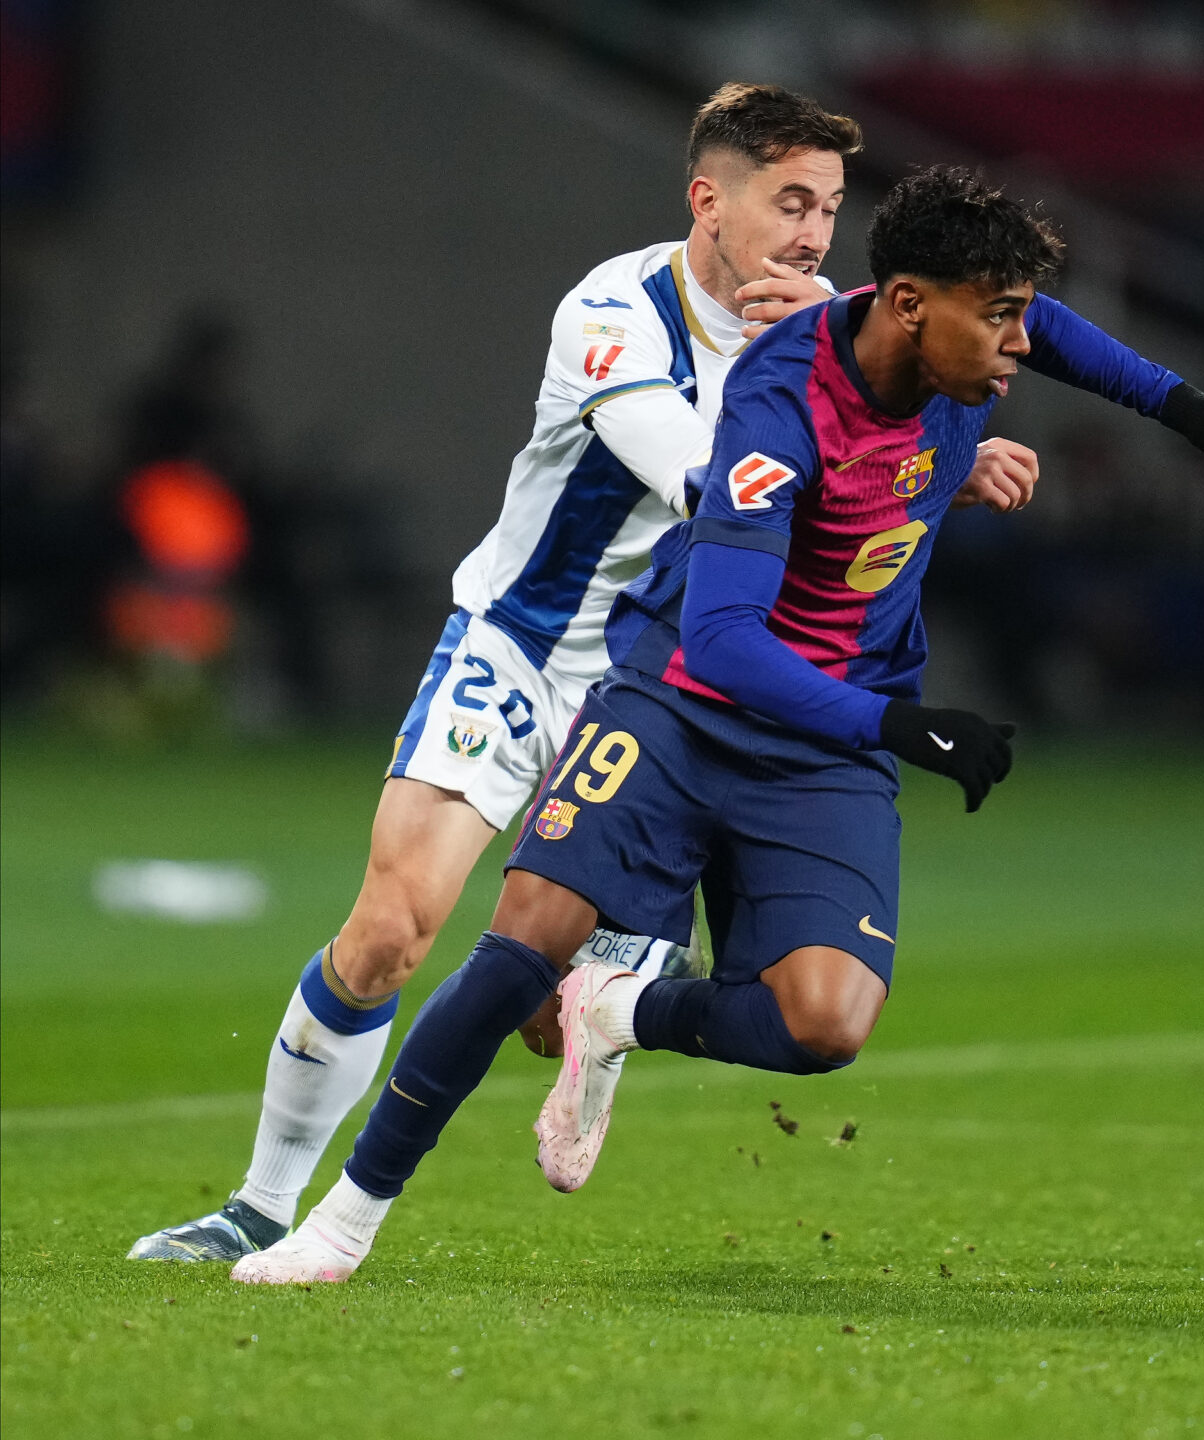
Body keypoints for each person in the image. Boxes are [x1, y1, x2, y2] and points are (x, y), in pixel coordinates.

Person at [230, 166, 1204, 1284]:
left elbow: (1057, 329)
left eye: (1014, 313)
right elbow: (730, 638)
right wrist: (904, 728)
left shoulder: (958, 349)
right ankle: (340, 1225)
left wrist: (1187, 409)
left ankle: (623, 1010)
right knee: (520, 948)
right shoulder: (778, 405)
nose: (1019, 344)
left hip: (818, 743)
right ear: (906, 307)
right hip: (683, 702)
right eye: (996, 317)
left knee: (825, 1026)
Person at [127, 83, 948, 1263]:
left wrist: (914, 432)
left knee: (531, 1014)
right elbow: (711, 485)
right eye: (789, 202)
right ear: (708, 201)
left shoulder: (839, 332)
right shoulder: (613, 310)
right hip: (522, 644)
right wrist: (850, 414)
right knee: (391, 931)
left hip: (666, 681)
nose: (815, 234)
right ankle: (255, 1207)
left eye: (828, 207)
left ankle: (610, 1000)